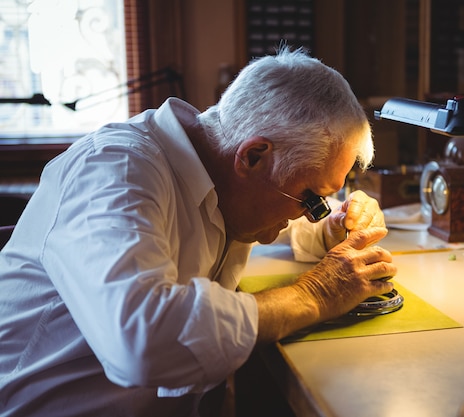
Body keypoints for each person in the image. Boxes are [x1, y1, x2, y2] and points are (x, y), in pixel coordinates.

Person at [0, 46, 397, 416]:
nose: (308, 215)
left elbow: (257, 223)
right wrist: (317, 293)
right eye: (311, 200)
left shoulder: (220, 173)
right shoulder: (116, 171)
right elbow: (142, 341)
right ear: (254, 156)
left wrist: (330, 229)